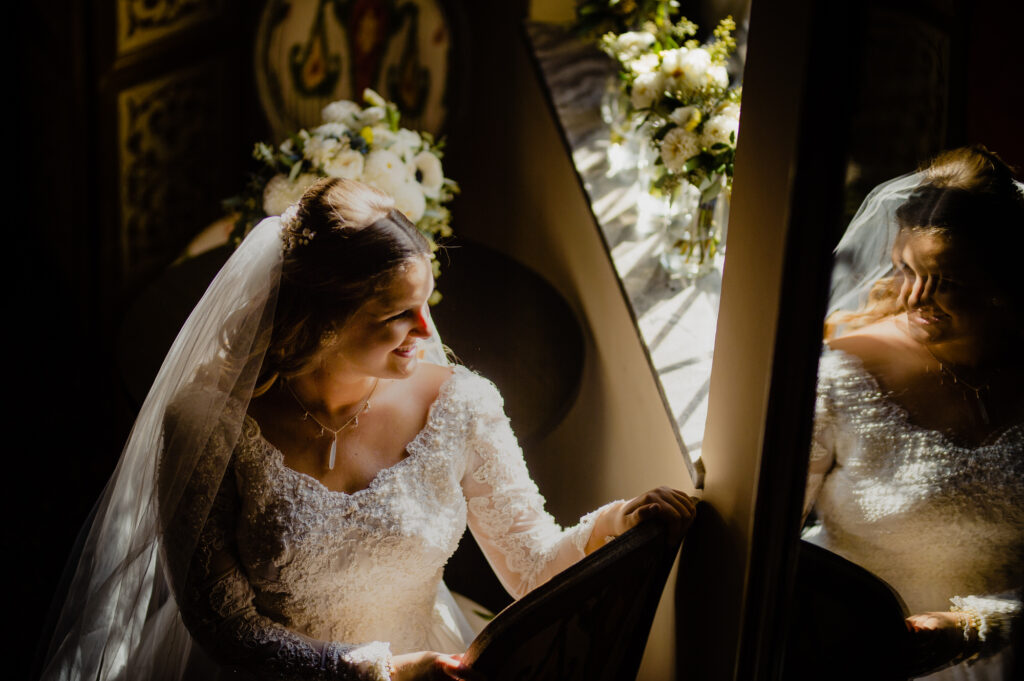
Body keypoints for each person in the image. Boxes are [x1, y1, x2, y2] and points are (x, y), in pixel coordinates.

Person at [40, 178, 697, 681]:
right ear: (320, 321)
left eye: (425, 302)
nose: (426, 331)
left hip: (429, 665)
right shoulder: (208, 422)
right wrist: (374, 671)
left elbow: (531, 565)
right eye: (396, 313)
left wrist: (616, 521)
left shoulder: (461, 403)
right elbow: (223, 624)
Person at [804, 146, 1024, 680]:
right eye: (905, 268)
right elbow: (759, 529)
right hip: (845, 652)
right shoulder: (844, 374)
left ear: (1004, 280)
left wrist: (977, 626)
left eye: (944, 279)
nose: (914, 297)